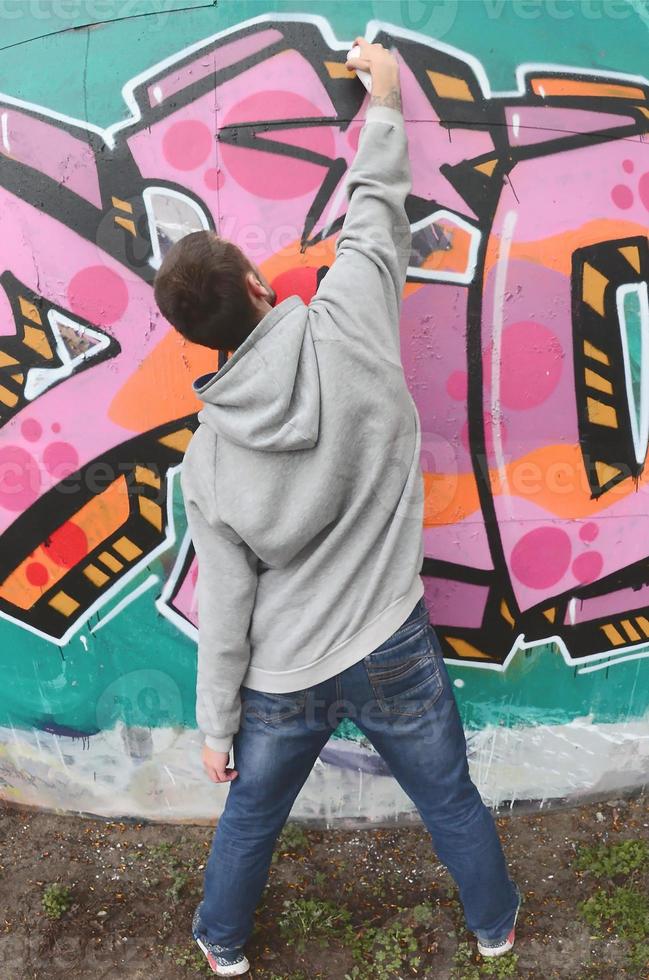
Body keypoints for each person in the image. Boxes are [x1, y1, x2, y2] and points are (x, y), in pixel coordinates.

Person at [153, 36, 520, 978]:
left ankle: (222, 946)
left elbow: (225, 607)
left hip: (281, 670)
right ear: (254, 285)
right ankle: (494, 931)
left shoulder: (208, 458)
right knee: (449, 800)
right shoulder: (349, 319)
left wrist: (213, 729)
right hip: (390, 639)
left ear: (197, 340)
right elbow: (372, 208)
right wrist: (386, 95)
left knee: (251, 820)